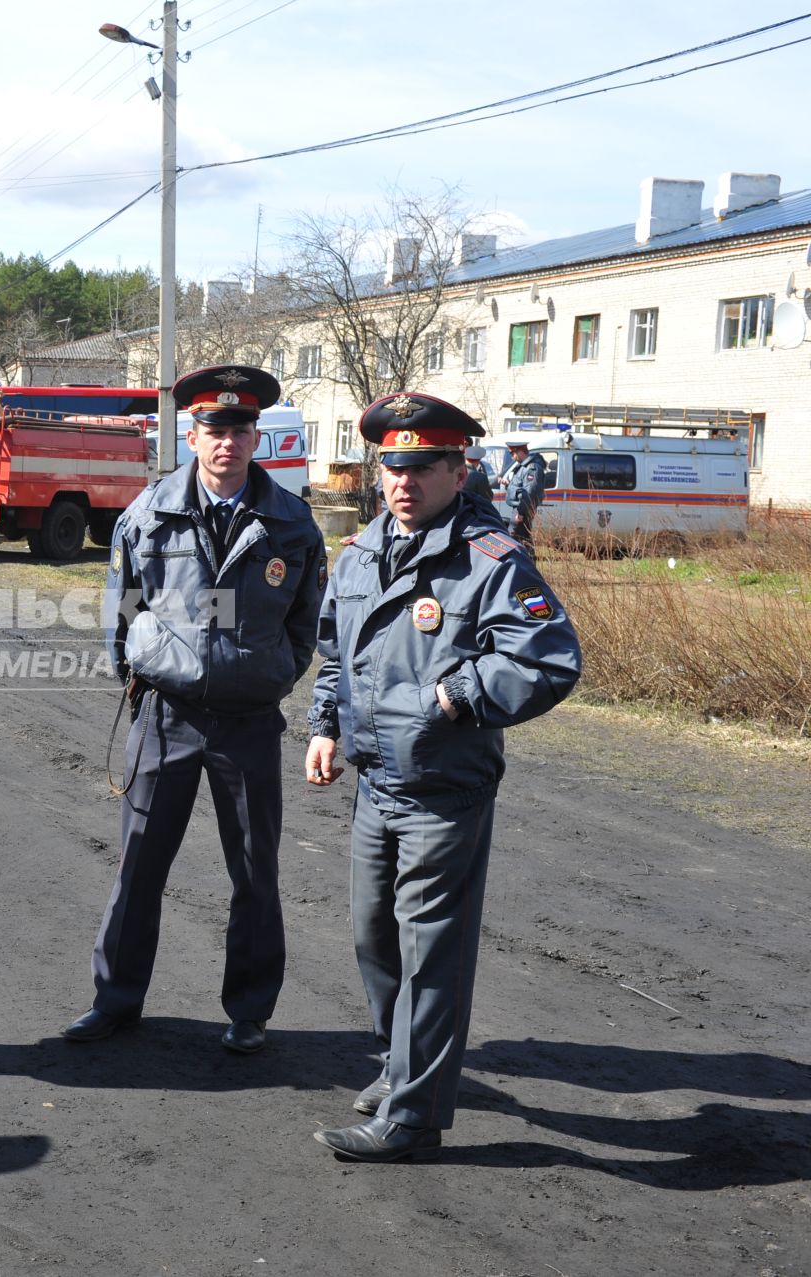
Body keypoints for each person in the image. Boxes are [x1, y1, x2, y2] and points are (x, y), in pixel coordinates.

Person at [305, 391, 581, 1163]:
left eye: (423, 466)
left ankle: (414, 1118)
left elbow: (550, 658)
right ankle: (402, 1068)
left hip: (443, 786)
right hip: (374, 783)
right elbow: (339, 651)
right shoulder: (361, 552)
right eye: (393, 465)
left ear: (459, 470)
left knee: (431, 950)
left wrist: (461, 693)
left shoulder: (490, 560)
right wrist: (325, 725)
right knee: (373, 937)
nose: (403, 480)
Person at [64, 364, 326, 1055]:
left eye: (240, 429)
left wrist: (271, 673)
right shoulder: (147, 512)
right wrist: (135, 674)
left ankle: (249, 1010)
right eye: (214, 428)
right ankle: (115, 1000)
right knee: (138, 865)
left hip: (247, 722)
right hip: (165, 714)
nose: (226, 442)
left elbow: (307, 624)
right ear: (192, 431)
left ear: (255, 436)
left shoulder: (292, 522)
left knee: (254, 870)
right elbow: (121, 607)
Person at [501, 439, 546, 548]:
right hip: (520, 508)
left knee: (515, 540)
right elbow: (520, 486)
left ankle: (526, 562)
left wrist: (520, 513)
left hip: (523, 509)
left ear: (521, 452)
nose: (512, 456)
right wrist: (508, 485)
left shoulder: (532, 468)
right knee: (522, 540)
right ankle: (528, 562)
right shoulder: (523, 466)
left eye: (512, 453)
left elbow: (529, 492)